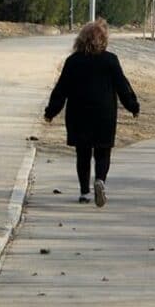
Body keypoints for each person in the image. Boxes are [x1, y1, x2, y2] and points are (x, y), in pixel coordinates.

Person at [44, 19, 139, 207]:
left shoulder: (73, 61)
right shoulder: (111, 60)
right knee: (103, 152)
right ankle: (100, 181)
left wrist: (51, 111)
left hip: (79, 114)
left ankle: (84, 192)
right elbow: (123, 86)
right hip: (104, 114)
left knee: (83, 153)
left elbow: (61, 89)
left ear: (81, 39)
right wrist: (132, 106)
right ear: (103, 39)